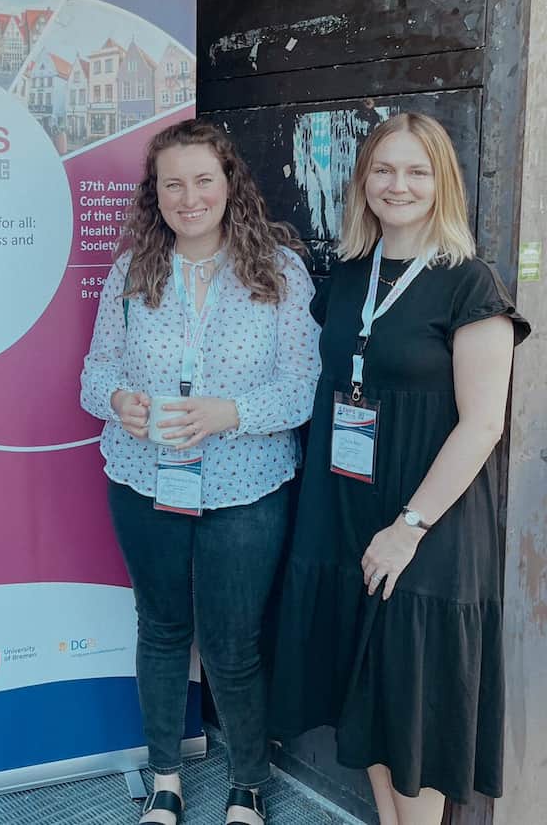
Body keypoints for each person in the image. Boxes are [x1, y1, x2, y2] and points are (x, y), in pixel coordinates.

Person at [270, 113, 529, 825]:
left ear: (441, 182)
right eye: (384, 169)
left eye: (417, 171)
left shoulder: (470, 284)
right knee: (368, 695)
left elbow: (483, 423)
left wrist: (409, 527)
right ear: (364, 181)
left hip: (427, 523)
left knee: (412, 708)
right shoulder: (350, 276)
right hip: (349, 510)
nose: (399, 184)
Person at [80, 119, 320, 825]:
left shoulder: (278, 270)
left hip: (246, 484)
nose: (189, 197)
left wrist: (228, 413)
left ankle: (247, 779)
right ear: (155, 194)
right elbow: (93, 376)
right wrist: (117, 399)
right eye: (172, 183)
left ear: (229, 183)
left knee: (229, 641)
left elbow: (303, 389)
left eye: (203, 180)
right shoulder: (132, 271)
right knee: (159, 627)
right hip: (143, 477)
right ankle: (164, 777)